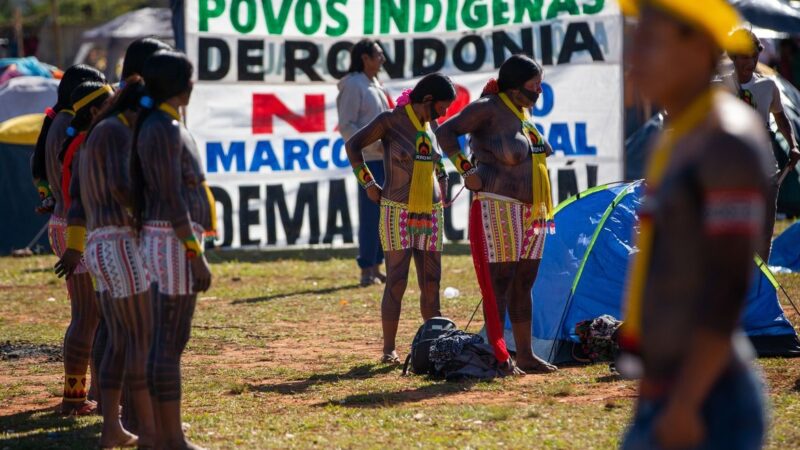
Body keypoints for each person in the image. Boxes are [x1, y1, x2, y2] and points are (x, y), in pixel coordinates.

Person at [617, 1, 770, 449]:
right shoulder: (679, 136)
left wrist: (686, 402)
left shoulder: (726, 141)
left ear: (699, 45)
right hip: (667, 391)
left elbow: (728, 285)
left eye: (649, 41)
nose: (634, 56)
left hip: (707, 402)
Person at [436, 55, 556, 375]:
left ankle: (526, 354)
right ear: (516, 87)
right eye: (534, 85)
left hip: (534, 210)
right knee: (500, 281)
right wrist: (466, 169)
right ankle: (498, 355)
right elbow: (446, 132)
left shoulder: (521, 115)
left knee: (524, 282)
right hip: (498, 204)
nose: (539, 91)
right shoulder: (487, 108)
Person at [131, 50, 214, 450]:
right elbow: (170, 196)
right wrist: (194, 252)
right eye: (191, 77)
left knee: (168, 342)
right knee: (168, 342)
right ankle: (170, 438)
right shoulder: (163, 128)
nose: (194, 84)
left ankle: (159, 436)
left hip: (167, 240)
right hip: (170, 242)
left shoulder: (162, 123)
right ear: (180, 84)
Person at [345, 73, 455, 364]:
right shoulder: (390, 122)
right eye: (441, 108)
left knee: (431, 281)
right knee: (397, 280)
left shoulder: (430, 125)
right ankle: (389, 349)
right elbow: (353, 146)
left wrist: (443, 184)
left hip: (431, 213)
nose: (443, 114)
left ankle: (433, 346)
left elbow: (438, 160)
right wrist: (368, 184)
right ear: (427, 100)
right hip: (397, 211)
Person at [38, 65, 106, 415]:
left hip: (61, 222)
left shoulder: (55, 123)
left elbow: (42, 172)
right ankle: (75, 399)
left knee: (87, 316)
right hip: (77, 228)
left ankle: (87, 392)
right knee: (87, 317)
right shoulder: (76, 129)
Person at [718, 28, 800, 261]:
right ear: (733, 56)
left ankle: (760, 287)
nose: (751, 62)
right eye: (744, 56)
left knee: (763, 232)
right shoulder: (718, 87)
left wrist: (793, 144)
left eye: (754, 56)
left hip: (765, 169)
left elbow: (781, 118)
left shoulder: (768, 86)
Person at [337, 39, 394, 287]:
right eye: (378, 55)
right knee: (370, 213)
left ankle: (377, 265)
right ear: (365, 58)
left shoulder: (375, 84)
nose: (382, 59)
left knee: (384, 213)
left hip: (384, 159)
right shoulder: (353, 84)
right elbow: (347, 126)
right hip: (366, 160)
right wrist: (371, 145)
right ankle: (365, 269)